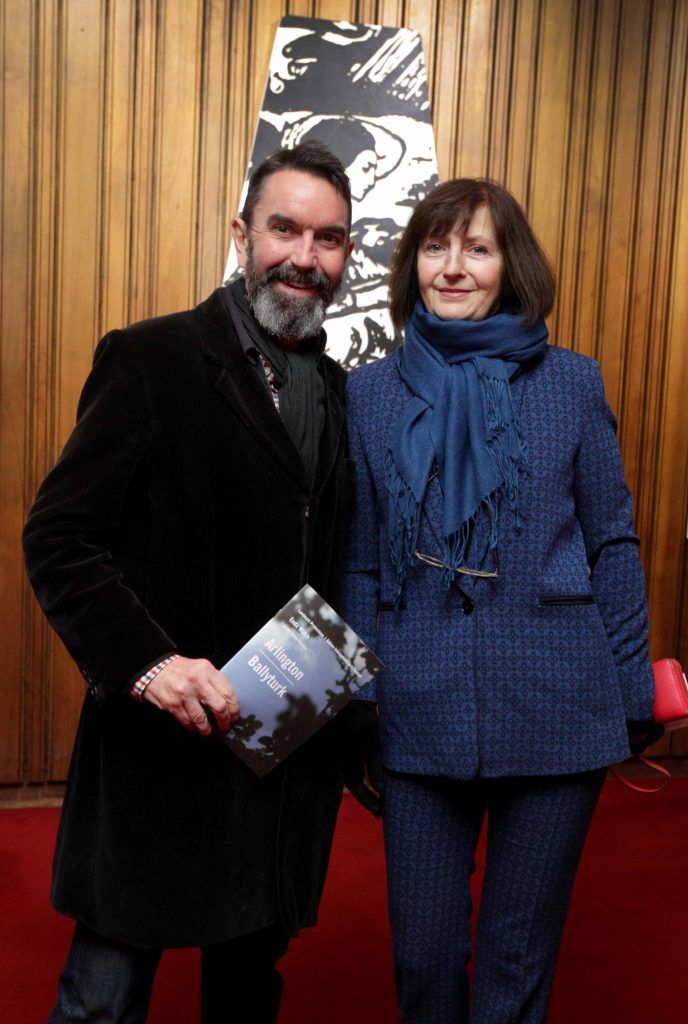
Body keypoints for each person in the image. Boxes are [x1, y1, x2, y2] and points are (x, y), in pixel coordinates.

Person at [23, 141, 381, 1024]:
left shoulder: (339, 392)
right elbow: (59, 537)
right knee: (102, 999)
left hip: (277, 762)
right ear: (241, 235)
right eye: (285, 229)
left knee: (247, 993)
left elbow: (333, 566)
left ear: (347, 257)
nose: (305, 257)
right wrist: (149, 665)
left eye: (330, 239)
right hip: (159, 749)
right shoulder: (150, 360)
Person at [343, 178, 662, 1023]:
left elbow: (613, 543)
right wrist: (361, 702)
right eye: (435, 247)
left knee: (516, 967)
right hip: (415, 709)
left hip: (558, 700)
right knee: (423, 957)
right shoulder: (368, 394)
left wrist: (632, 690)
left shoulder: (573, 382)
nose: (453, 267)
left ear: (507, 264)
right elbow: (363, 563)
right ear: (413, 263)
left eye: (477, 248)